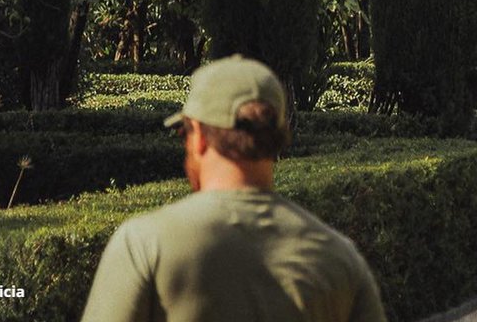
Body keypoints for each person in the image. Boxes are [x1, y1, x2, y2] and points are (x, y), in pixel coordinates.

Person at [81, 55, 387, 322]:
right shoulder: (340, 258)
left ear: (198, 135)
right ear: (278, 137)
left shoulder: (145, 245)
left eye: (183, 132)